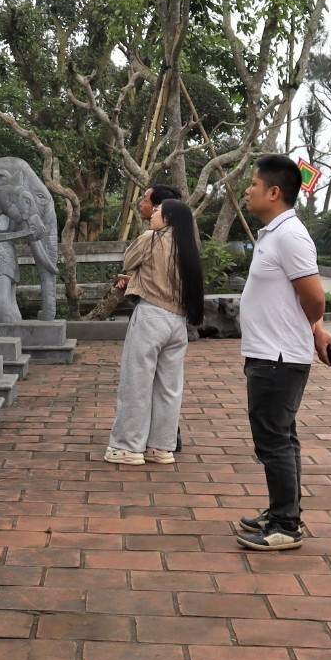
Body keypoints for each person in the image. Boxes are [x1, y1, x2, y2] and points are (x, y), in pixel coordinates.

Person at [235, 154, 331, 552]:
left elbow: (314, 297)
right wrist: (313, 329)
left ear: (274, 193)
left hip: (278, 357)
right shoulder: (273, 233)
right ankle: (283, 510)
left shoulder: (290, 235)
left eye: (253, 185)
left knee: (272, 439)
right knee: (282, 437)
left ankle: (285, 526)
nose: (247, 190)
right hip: (269, 353)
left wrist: (313, 328)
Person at [105, 189, 205, 465]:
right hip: (177, 322)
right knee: (168, 388)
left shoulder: (151, 238)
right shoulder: (186, 247)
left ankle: (127, 447)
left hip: (150, 317)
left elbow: (129, 260)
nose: (153, 214)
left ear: (169, 217)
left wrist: (134, 273)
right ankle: (160, 447)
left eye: (159, 211)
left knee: (136, 383)